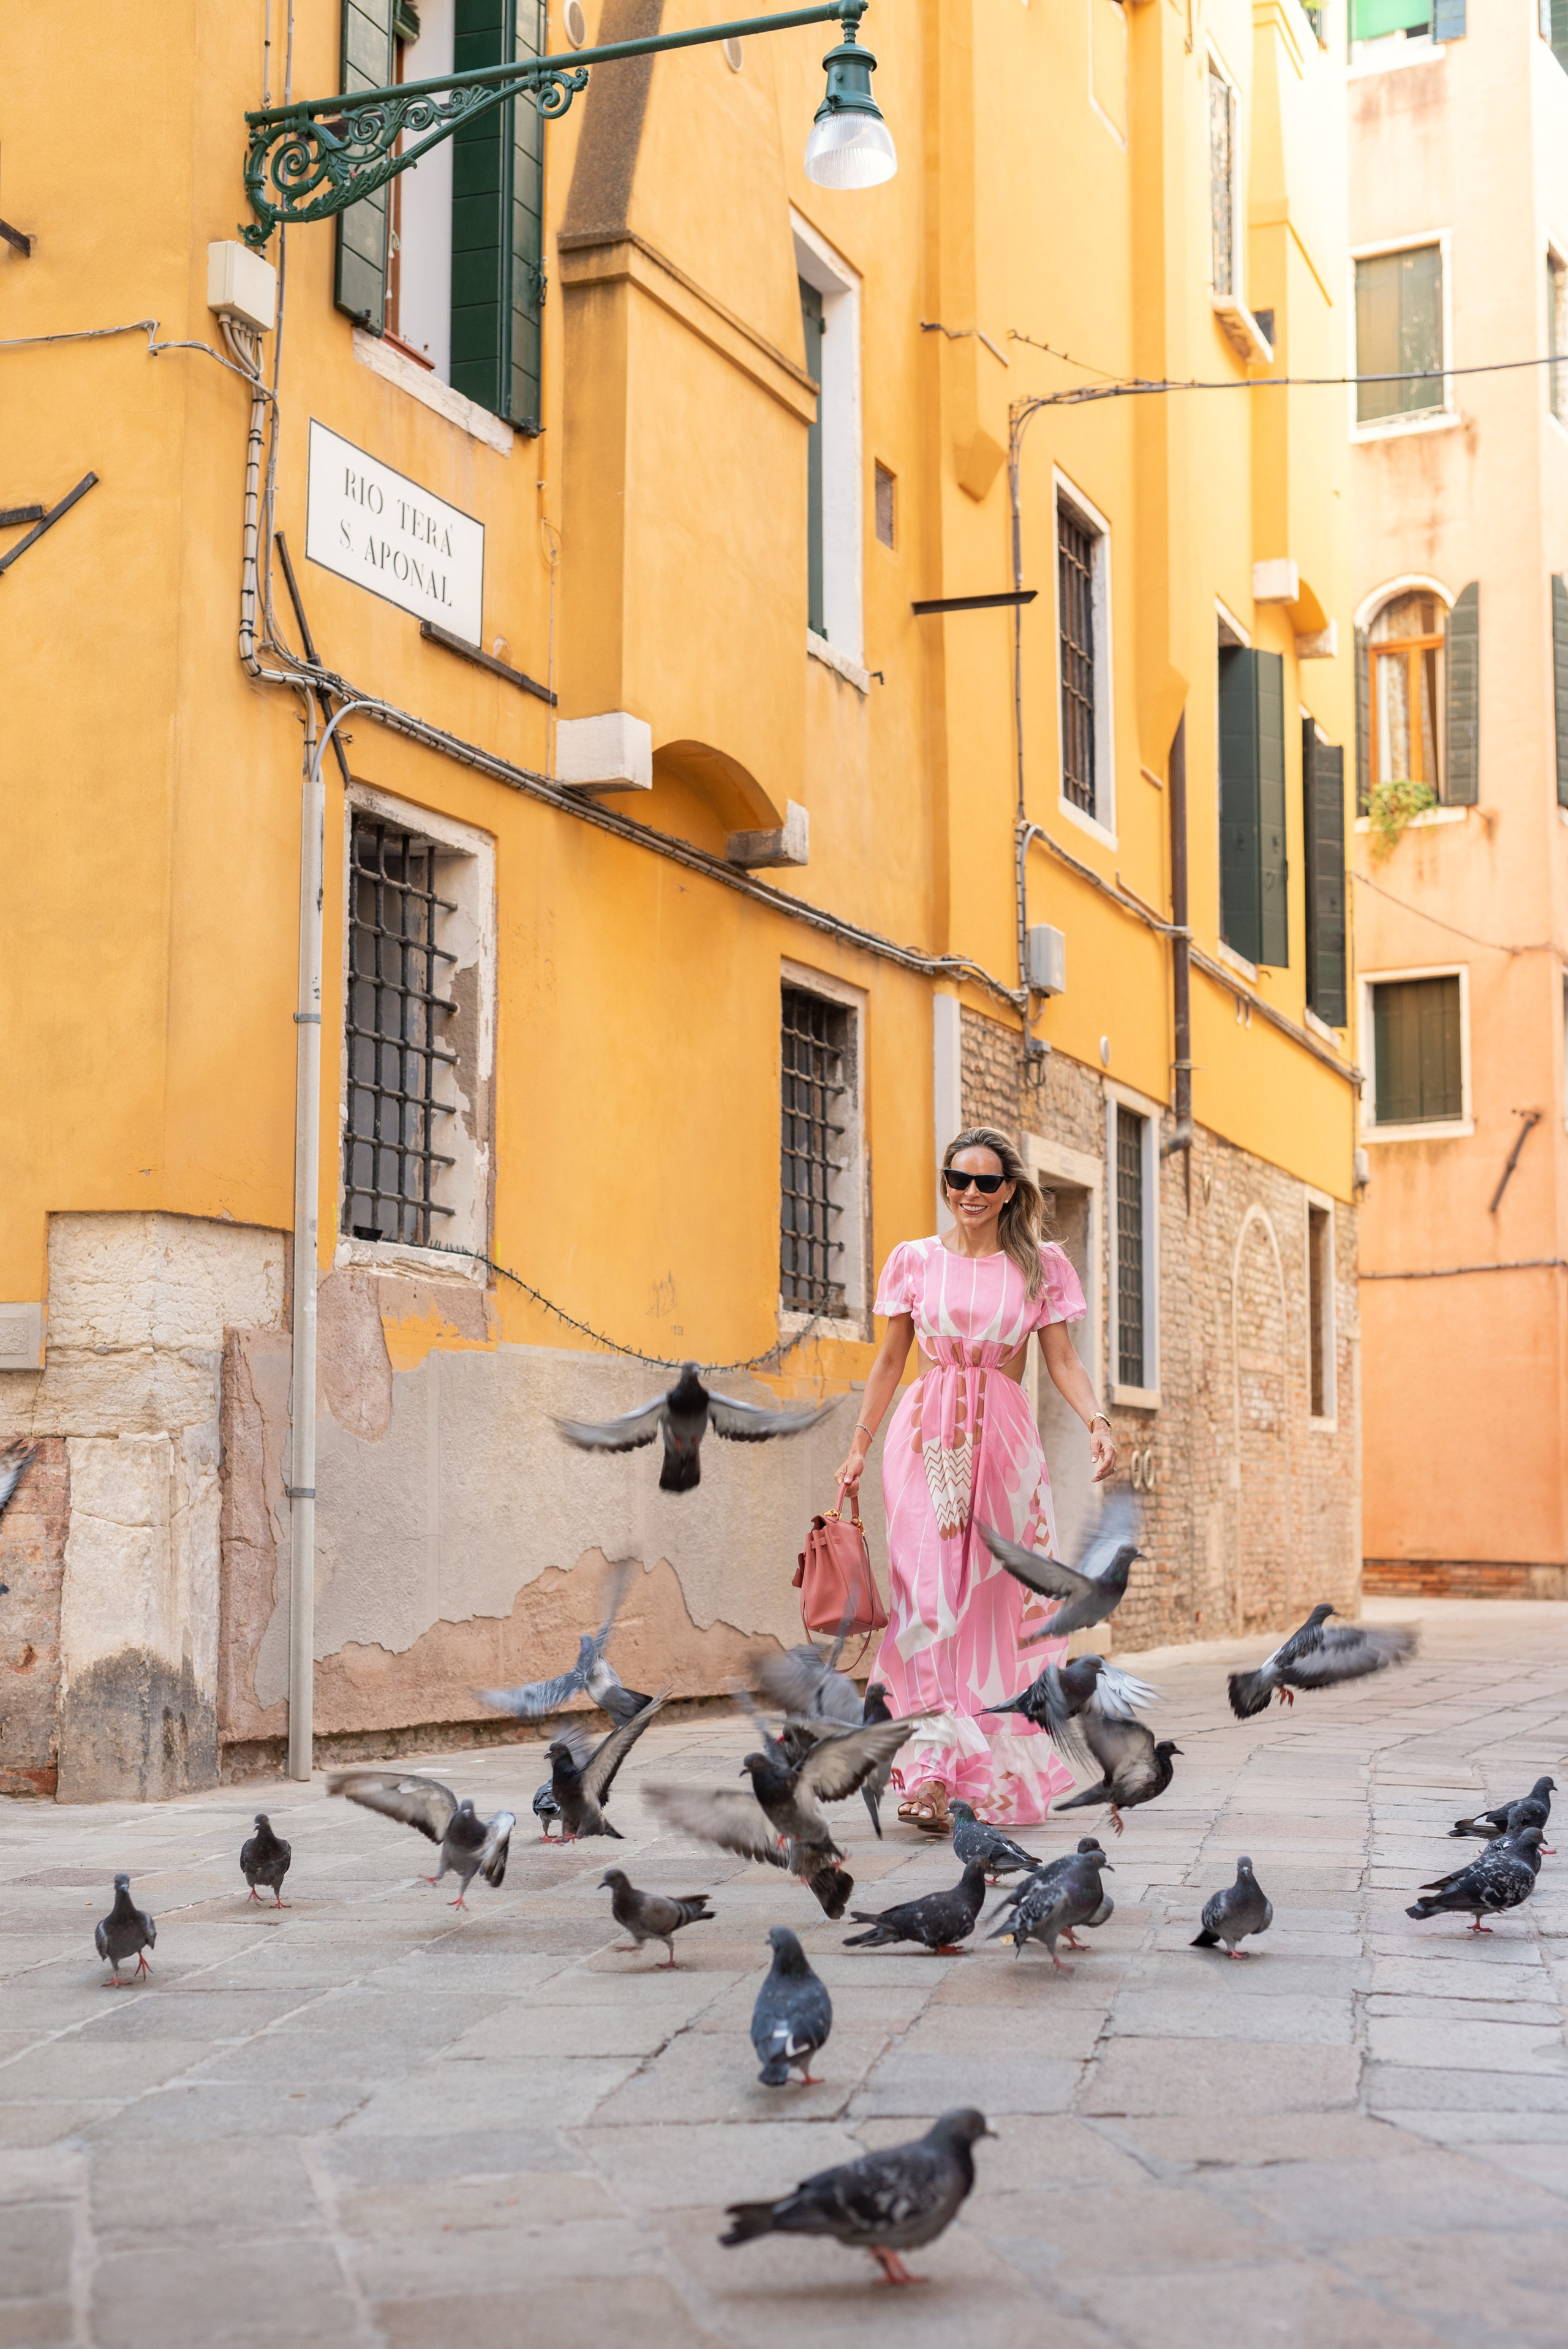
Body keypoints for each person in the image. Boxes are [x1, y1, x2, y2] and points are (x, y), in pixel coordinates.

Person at [834, 1126, 1118, 1831]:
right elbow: (888, 1363)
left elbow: (1062, 1364)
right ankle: (928, 1770)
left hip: (1003, 1446)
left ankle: (978, 1772)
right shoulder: (913, 1261)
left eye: (986, 1183)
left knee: (989, 1608)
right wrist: (858, 1446)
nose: (969, 1193)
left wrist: (1097, 1421)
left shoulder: (1039, 1266)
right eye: (957, 1179)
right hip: (923, 1439)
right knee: (925, 1594)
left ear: (1009, 1191)